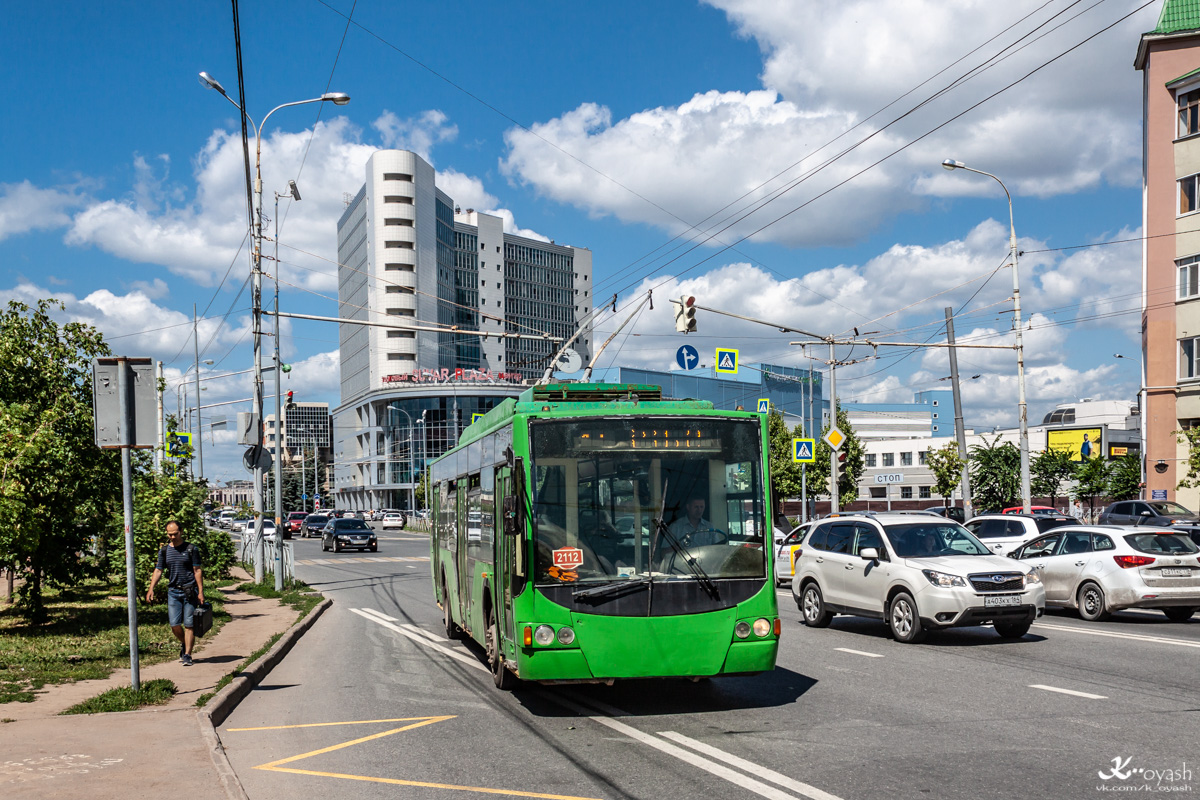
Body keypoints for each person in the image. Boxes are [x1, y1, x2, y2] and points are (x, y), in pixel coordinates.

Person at [145, 520, 205, 666]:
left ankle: (187, 655)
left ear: (181, 531)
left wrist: (201, 592)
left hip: (189, 591)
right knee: (174, 624)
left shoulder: (191, 549)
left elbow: (197, 570)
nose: (172, 537)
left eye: (175, 534)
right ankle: (185, 643)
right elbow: (158, 570)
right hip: (173, 592)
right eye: (169, 534)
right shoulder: (165, 551)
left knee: (189, 624)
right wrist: (151, 588)